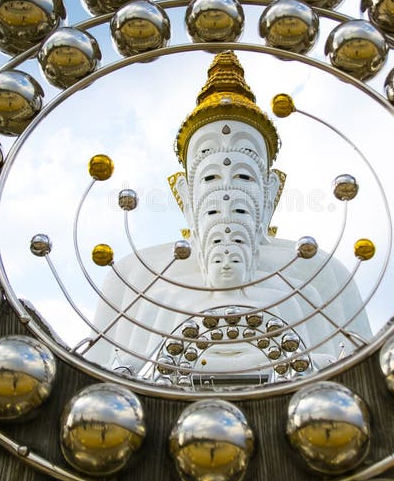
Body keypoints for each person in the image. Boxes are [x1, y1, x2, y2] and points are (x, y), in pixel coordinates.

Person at [91, 51, 370, 385]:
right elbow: (99, 370)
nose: (226, 188)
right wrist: (165, 363)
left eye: (243, 176)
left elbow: (360, 371)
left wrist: (290, 360)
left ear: (270, 191)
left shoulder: (320, 270)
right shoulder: (137, 273)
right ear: (185, 191)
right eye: (209, 177)